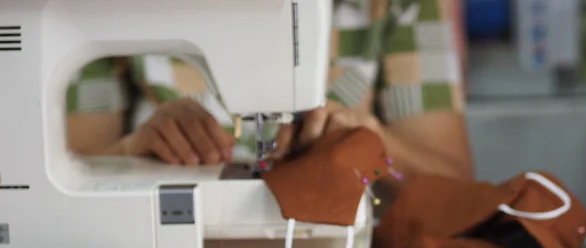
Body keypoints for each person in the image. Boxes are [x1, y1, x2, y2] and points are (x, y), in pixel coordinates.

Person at [67, 0, 472, 190]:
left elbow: (457, 189)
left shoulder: (398, 5)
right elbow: (66, 179)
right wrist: (129, 153)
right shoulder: (95, 10)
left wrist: (375, 144)